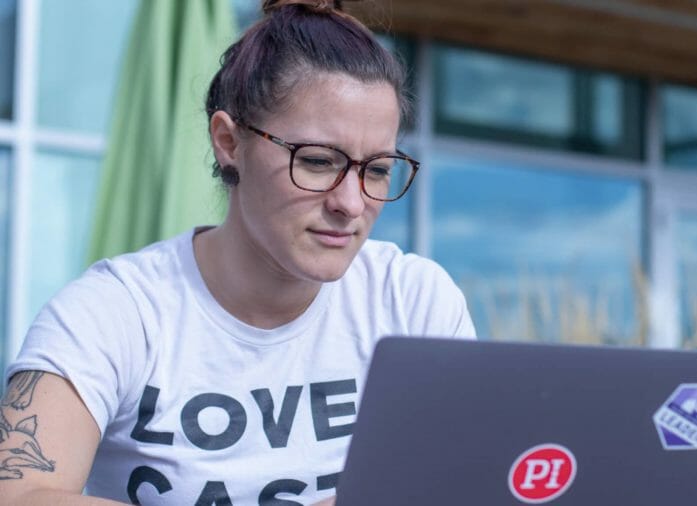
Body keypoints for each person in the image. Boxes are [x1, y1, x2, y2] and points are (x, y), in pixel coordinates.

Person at [0, 1, 475, 504]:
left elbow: (475, 476)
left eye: (377, 170)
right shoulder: (117, 311)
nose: (351, 204)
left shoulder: (412, 299)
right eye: (316, 161)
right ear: (229, 142)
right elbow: (19, 492)